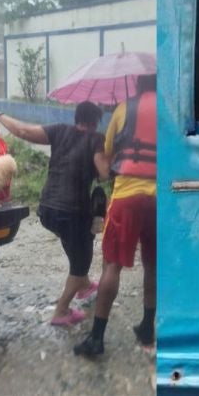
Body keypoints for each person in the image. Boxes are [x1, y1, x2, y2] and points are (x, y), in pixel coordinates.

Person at [0, 102, 105, 326]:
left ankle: (85, 286)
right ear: (95, 122)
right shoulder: (97, 140)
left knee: (74, 243)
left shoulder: (59, 130)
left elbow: (23, 131)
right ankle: (61, 311)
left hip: (48, 210)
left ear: (76, 118)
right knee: (81, 261)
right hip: (73, 212)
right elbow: (105, 174)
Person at [74, 74, 157, 357]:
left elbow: (108, 157)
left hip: (127, 194)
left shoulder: (124, 109)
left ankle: (96, 338)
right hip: (161, 196)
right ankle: (148, 327)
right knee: (152, 264)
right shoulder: (171, 108)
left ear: (138, 83)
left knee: (112, 264)